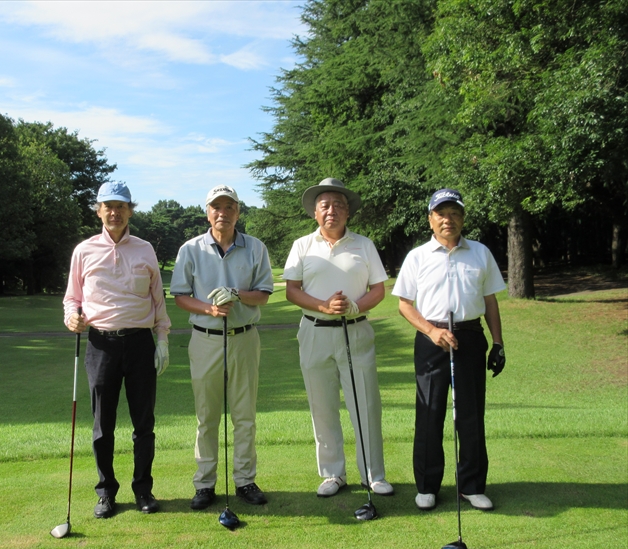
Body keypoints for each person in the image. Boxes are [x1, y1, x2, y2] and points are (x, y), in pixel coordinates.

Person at [391, 188, 506, 512]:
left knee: (470, 415)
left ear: (463, 218)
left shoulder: (480, 252)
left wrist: (498, 343)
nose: (448, 220)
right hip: (431, 339)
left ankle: (471, 486)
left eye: (454, 213)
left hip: (470, 337)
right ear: (430, 219)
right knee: (429, 414)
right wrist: (431, 331)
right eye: (441, 214)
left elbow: (490, 302)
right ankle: (427, 486)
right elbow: (404, 304)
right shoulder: (417, 256)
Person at [62, 180, 171, 519]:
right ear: (99, 211)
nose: (115, 212)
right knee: (102, 425)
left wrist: (162, 340)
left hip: (140, 343)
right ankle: (106, 492)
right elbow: (72, 298)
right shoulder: (84, 251)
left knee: (144, 423)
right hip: (101, 344)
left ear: (130, 211)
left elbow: (158, 299)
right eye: (108, 206)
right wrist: (72, 316)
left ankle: (143, 490)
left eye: (121, 206)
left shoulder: (145, 249)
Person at [282, 178, 393, 501]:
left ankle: (373, 474)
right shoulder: (303, 245)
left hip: (355, 330)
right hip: (314, 332)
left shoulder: (364, 245)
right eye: (325, 205)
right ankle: (333, 473)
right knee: (322, 405)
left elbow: (378, 289)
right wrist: (323, 306)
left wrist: (355, 306)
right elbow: (292, 290)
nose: (331, 211)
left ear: (348, 212)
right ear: (315, 213)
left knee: (366, 404)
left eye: (338, 205)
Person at [170, 184, 274, 510]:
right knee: (207, 416)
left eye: (229, 207)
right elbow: (180, 296)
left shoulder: (255, 247)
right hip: (205, 338)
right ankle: (205, 484)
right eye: (217, 207)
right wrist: (210, 309)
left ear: (238, 212)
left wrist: (237, 294)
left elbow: (263, 294)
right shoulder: (190, 249)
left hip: (244, 338)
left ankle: (245, 480)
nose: (223, 213)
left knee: (244, 415)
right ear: (207, 213)